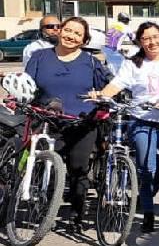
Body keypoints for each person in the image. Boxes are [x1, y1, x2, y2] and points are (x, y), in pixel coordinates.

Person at [93, 22, 159, 233]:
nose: (152, 42)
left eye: (155, 37)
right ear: (140, 41)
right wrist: (101, 95)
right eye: (146, 38)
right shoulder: (133, 63)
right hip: (141, 119)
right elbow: (117, 84)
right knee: (147, 169)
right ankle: (147, 212)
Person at [24, 16, 111, 230]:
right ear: (60, 31)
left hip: (81, 123)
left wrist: (99, 94)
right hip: (46, 121)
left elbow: (107, 88)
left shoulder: (91, 62)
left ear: (84, 40)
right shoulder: (40, 57)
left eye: (77, 34)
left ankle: (76, 213)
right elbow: (26, 86)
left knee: (78, 169)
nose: (71, 36)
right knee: (43, 166)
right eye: (68, 30)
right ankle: (42, 208)